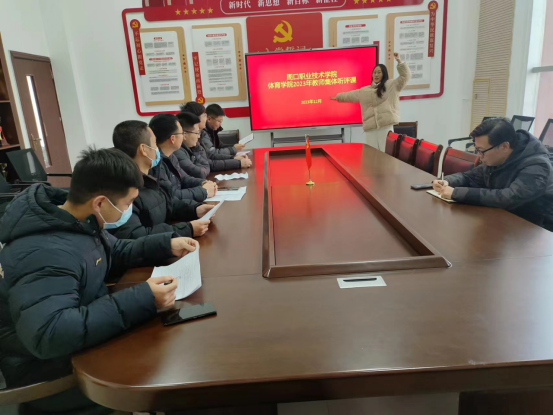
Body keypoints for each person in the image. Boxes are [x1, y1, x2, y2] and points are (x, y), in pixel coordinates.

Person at [0, 148, 197, 412]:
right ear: (101, 203)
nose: (128, 210)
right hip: (51, 371)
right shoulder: (44, 253)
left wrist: (166, 244)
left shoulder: (77, 220)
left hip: (82, 338)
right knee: (171, 367)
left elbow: (114, 250)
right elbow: (49, 334)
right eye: (127, 203)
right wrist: (143, 298)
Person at [433, 118, 553, 231]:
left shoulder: (537, 166)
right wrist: (447, 181)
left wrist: (455, 193)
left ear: (504, 146)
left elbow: (509, 198)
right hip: (502, 220)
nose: (479, 156)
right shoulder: (497, 158)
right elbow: (470, 176)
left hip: (534, 230)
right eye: (477, 150)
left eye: (481, 151)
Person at [112, 120, 213, 238]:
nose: (158, 148)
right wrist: (186, 229)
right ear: (144, 149)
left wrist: (195, 209)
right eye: (155, 143)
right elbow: (135, 235)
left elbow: (168, 203)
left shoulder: (152, 174)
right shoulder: (124, 189)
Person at [331, 53, 411, 152]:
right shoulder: (364, 91)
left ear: (384, 74)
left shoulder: (392, 85)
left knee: (387, 156)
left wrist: (399, 61)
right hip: (371, 130)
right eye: (374, 72)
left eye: (379, 72)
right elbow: (350, 95)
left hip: (386, 128)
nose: (376, 75)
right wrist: (337, 97)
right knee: (372, 157)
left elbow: (405, 76)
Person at [149, 113, 217, 202]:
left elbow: (184, 178)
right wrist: (204, 191)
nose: (183, 136)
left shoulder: (171, 156)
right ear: (172, 139)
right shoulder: (156, 164)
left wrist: (202, 182)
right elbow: (171, 195)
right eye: (182, 133)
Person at [181, 101, 252, 171]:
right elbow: (209, 160)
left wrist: (233, 158)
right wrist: (237, 162)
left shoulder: (202, 133)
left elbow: (209, 159)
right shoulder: (193, 139)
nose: (206, 118)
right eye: (204, 115)